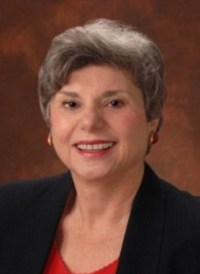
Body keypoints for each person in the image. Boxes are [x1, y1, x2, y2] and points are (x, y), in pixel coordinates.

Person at [0, 18, 200, 274]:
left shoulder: (193, 232)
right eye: (71, 104)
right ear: (50, 121)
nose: (90, 123)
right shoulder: (7, 211)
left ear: (152, 119)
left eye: (114, 103)